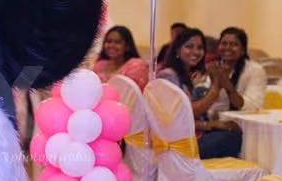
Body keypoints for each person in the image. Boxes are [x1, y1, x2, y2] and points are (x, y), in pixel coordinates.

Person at [157, 27, 242, 158]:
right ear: (178, 50)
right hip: (177, 145)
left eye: (200, 47)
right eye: (189, 46)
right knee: (231, 138)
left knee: (233, 132)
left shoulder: (188, 75)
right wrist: (216, 85)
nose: (195, 52)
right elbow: (185, 114)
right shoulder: (168, 75)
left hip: (191, 137)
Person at [209, 27, 267, 117]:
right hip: (210, 122)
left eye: (234, 44)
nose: (227, 48)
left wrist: (227, 85)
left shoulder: (255, 70)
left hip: (241, 124)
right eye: (224, 43)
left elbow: (253, 106)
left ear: (243, 50)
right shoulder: (211, 68)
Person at [92, 25, 148, 90]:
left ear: (127, 46)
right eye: (109, 41)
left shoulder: (136, 65)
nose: (111, 45)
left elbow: (130, 94)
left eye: (117, 42)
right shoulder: (99, 65)